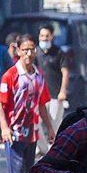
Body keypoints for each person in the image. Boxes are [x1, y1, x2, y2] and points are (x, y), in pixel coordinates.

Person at [0, 35, 55, 173]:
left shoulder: (38, 76)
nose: (29, 53)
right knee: (17, 170)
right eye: (25, 49)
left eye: (32, 49)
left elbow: (42, 104)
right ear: (18, 51)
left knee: (26, 169)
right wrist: (4, 127)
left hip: (32, 130)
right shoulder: (10, 75)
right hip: (13, 131)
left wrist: (49, 128)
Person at [35, 24, 71, 155]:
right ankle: (42, 148)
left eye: (47, 36)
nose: (44, 39)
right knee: (37, 123)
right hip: (39, 96)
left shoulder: (59, 53)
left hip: (55, 95)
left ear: (52, 37)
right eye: (42, 36)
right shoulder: (35, 53)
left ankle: (53, 150)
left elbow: (65, 72)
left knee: (54, 124)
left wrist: (63, 91)